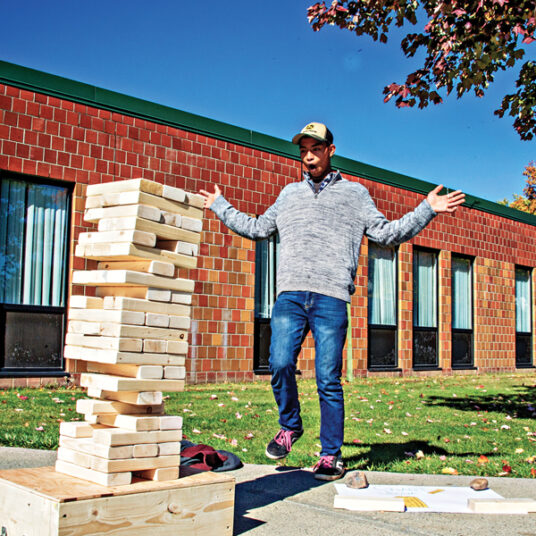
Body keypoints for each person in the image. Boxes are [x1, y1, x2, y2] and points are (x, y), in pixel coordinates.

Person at [199, 122, 465, 481]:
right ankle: (290, 426)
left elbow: (387, 234)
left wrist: (426, 209)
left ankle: (330, 455)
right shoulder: (289, 194)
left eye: (316, 148)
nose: (309, 156)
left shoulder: (355, 195)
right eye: (303, 150)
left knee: (327, 377)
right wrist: (220, 205)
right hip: (290, 296)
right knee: (278, 363)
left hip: (331, 298)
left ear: (330, 151)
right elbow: (258, 227)